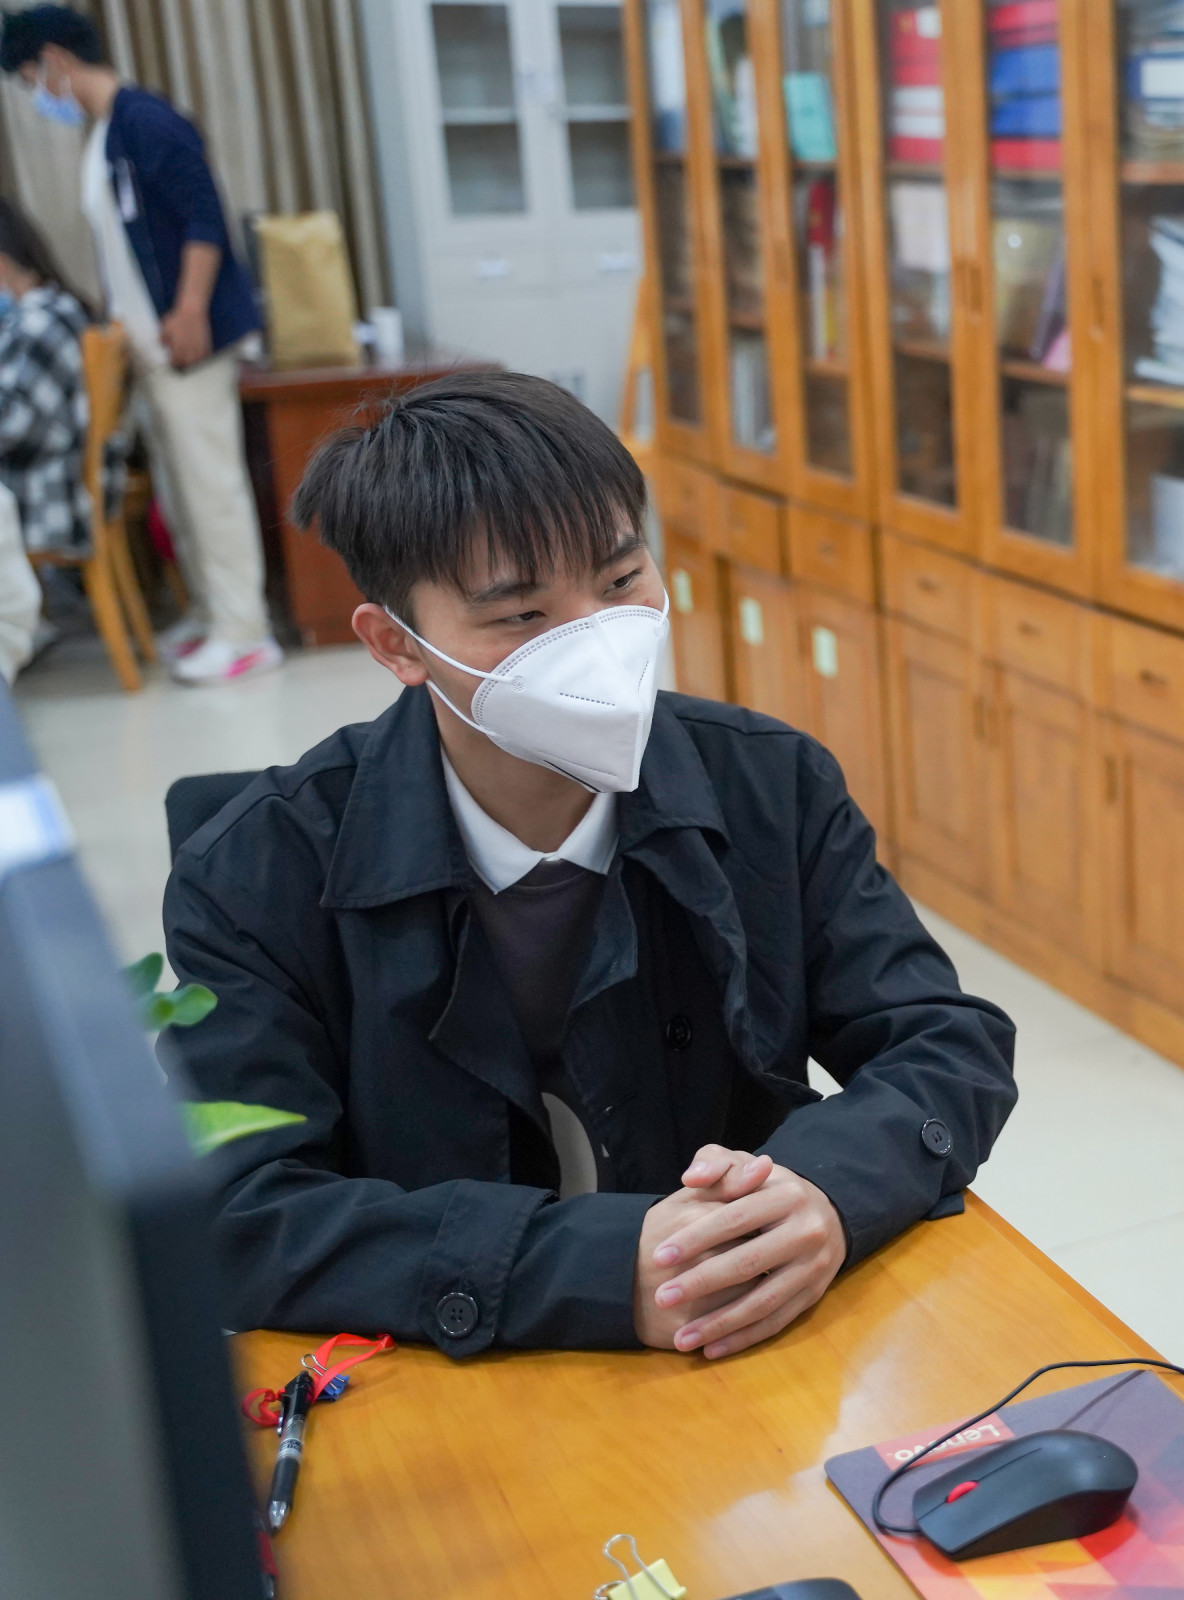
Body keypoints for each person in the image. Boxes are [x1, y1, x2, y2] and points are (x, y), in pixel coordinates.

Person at [164, 371, 1017, 1360]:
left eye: (619, 583)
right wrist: (599, 1268)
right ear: (397, 644)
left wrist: (824, 1190)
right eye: (522, 617)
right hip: (443, 1383)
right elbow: (240, 1210)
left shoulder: (768, 782)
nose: (596, 644)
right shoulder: (256, 869)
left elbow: (944, 1041)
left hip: (741, 1350)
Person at [1, 4, 280, 686]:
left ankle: (246, 634)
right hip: (153, 347)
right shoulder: (107, 132)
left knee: (211, 487)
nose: (36, 94)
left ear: (55, 61)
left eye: (31, 78)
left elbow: (203, 217)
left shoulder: (146, 120)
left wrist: (188, 308)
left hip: (188, 339)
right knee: (181, 494)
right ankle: (213, 613)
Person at [0, 195, 89, 683]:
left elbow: (14, 425)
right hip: (48, 476)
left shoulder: (40, 321)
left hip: (47, 491)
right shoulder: (46, 311)